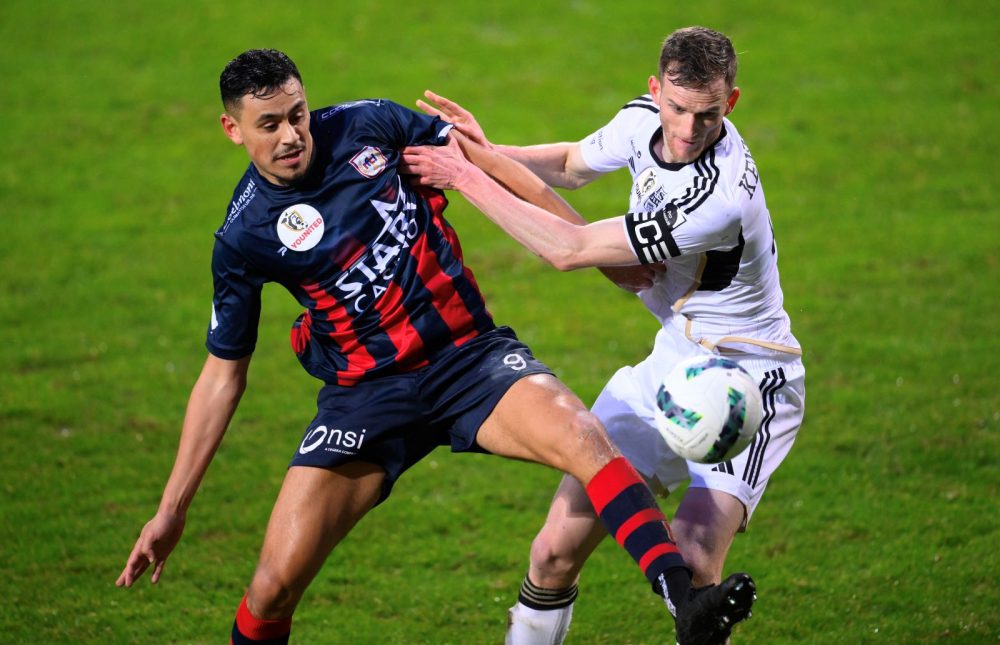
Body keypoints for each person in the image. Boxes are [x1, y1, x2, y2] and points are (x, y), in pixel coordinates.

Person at [115, 48, 757, 645]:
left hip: (470, 360)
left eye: (297, 115)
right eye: (269, 125)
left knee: (588, 441)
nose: (290, 136)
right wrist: (172, 509)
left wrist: (585, 243)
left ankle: (682, 601)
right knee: (274, 585)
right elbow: (223, 375)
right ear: (233, 130)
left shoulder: (371, 126)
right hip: (365, 398)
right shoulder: (243, 236)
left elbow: (491, 172)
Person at [402, 26, 804, 644]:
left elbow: (572, 249)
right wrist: (488, 151)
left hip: (750, 378)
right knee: (554, 550)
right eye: (677, 108)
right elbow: (567, 167)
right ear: (655, 90)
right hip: (676, 359)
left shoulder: (715, 200)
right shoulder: (642, 120)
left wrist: (467, 176)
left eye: (708, 114)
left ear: (732, 102)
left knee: (693, 566)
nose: (689, 129)